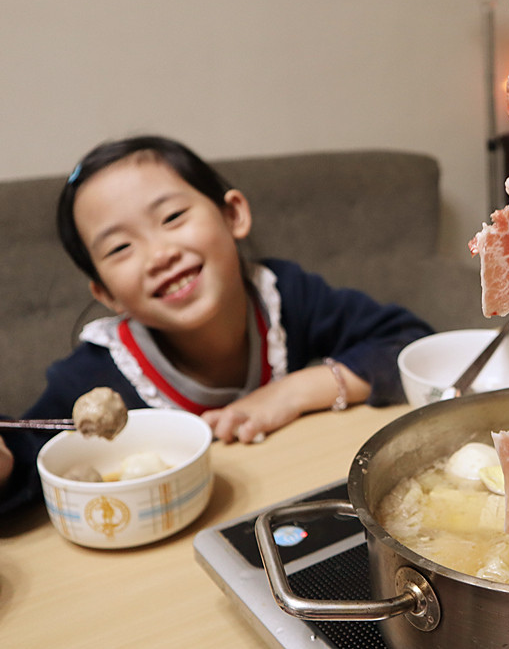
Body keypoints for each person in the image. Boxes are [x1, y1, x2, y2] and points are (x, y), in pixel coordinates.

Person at [0, 135, 433, 513]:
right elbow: (28, 458)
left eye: (171, 218)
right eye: (120, 248)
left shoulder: (286, 299)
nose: (158, 254)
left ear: (233, 215)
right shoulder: (95, 374)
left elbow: (411, 347)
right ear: (106, 294)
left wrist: (293, 392)